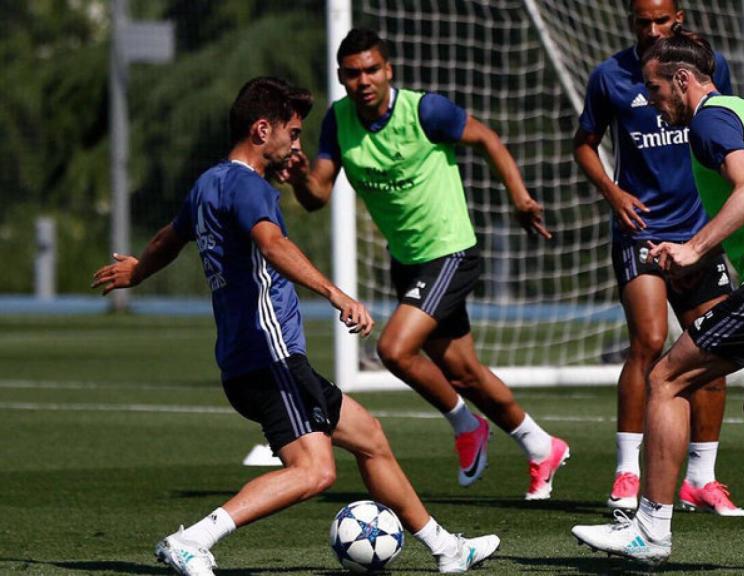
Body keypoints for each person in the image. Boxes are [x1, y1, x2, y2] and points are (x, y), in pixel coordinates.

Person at [91, 77, 499, 576]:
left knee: (370, 437)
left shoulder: (208, 183)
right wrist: (336, 294)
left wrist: (137, 271)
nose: (298, 145)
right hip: (272, 358)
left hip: (250, 360)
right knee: (315, 470)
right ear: (263, 130)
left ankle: (446, 549)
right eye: (294, 132)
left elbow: (168, 239)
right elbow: (273, 246)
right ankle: (194, 540)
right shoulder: (247, 186)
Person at [571, 30, 744, 572]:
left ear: (682, 80)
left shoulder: (708, 119)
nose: (652, 102)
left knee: (666, 378)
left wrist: (695, 249)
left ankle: (649, 529)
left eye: (655, 90)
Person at [285, 28, 569, 500]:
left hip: (450, 252)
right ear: (341, 78)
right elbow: (317, 196)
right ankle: (542, 447)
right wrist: (297, 177)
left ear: (388, 69)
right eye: (353, 73)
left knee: (394, 350)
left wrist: (519, 197)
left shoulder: (425, 110)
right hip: (408, 263)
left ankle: (465, 426)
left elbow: (487, 138)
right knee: (463, 373)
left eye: (372, 69)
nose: (364, 80)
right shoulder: (338, 121)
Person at [574, 0, 744, 515]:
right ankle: (628, 473)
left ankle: (702, 478)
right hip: (641, 232)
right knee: (649, 341)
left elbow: (728, 135)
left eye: (660, 20)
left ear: (680, 17)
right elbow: (583, 143)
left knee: (712, 351)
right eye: (640, 22)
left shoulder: (710, 71)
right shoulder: (609, 76)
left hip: (699, 233)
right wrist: (613, 192)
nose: (650, 30)